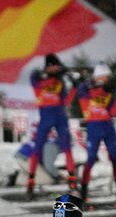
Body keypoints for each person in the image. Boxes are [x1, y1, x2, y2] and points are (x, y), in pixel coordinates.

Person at [76, 63, 116, 205]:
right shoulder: (86, 88)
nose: (107, 80)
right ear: (98, 77)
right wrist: (100, 87)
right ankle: (83, 193)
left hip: (108, 127)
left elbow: (112, 112)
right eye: (105, 77)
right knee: (90, 159)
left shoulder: (108, 91)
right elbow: (82, 93)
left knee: (114, 158)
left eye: (108, 77)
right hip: (93, 126)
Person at [27, 53, 78, 198]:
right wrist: (52, 75)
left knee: (67, 148)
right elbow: (36, 79)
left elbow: (65, 101)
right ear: (49, 66)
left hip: (60, 117)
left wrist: (74, 87)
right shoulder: (38, 78)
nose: (57, 69)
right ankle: (30, 183)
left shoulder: (59, 81)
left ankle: (73, 182)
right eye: (55, 66)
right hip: (46, 117)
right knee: (37, 149)